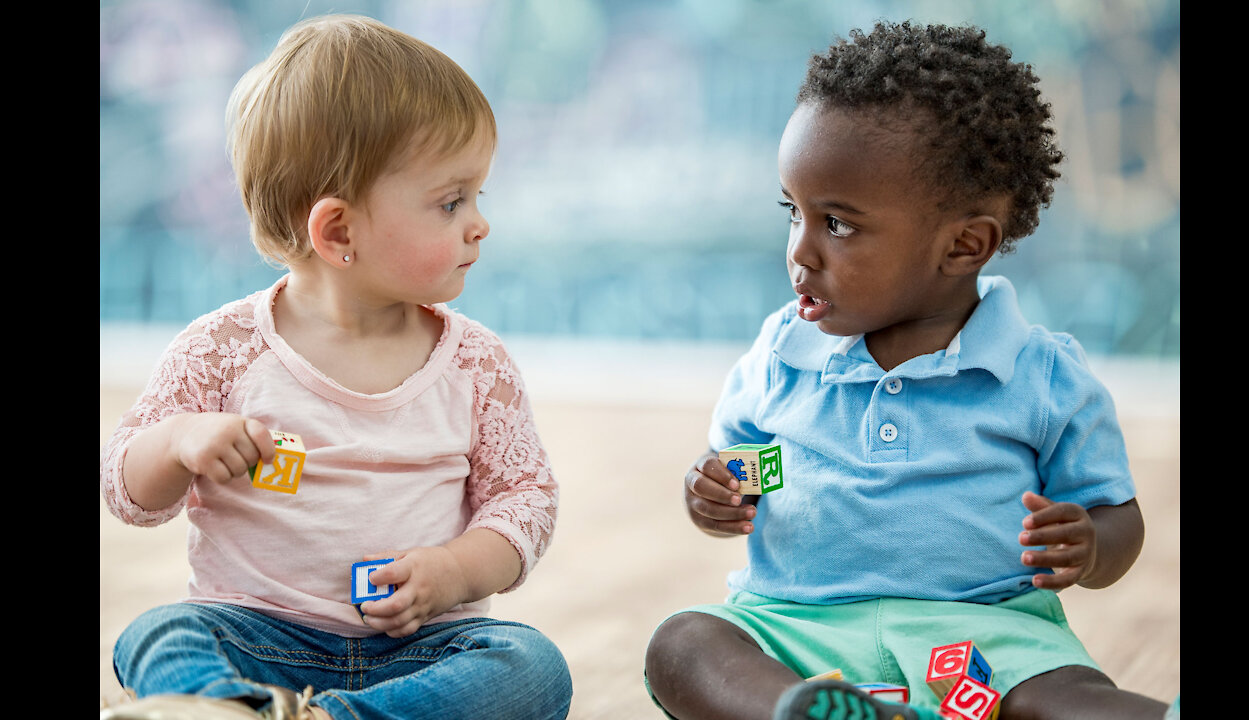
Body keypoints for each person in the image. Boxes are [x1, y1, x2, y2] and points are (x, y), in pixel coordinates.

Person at [644, 21, 1174, 720]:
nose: (800, 252)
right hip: (798, 632)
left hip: (979, 637)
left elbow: (1116, 518)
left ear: (962, 245)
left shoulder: (1040, 377)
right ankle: (802, 711)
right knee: (684, 643)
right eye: (792, 212)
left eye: (836, 224)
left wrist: (1090, 544)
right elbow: (749, 463)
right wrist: (714, 490)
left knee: (1058, 694)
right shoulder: (781, 356)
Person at [99, 14, 571, 720]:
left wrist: (455, 572)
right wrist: (177, 442)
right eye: (451, 202)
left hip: (422, 647)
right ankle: (239, 702)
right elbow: (127, 493)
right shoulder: (222, 348)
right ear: (339, 230)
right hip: (256, 632)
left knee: (531, 667)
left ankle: (310, 718)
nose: (480, 223)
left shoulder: (475, 363)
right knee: (155, 634)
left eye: (479, 196)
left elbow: (526, 499)